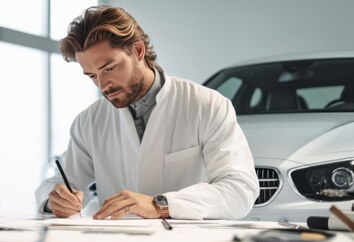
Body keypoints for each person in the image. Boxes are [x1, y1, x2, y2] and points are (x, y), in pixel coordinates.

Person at [35, 6, 259, 220]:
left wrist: (160, 205)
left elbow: (240, 189)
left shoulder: (207, 105)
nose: (103, 85)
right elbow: (61, 182)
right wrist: (54, 201)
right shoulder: (89, 121)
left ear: (138, 51)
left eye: (109, 68)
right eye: (92, 75)